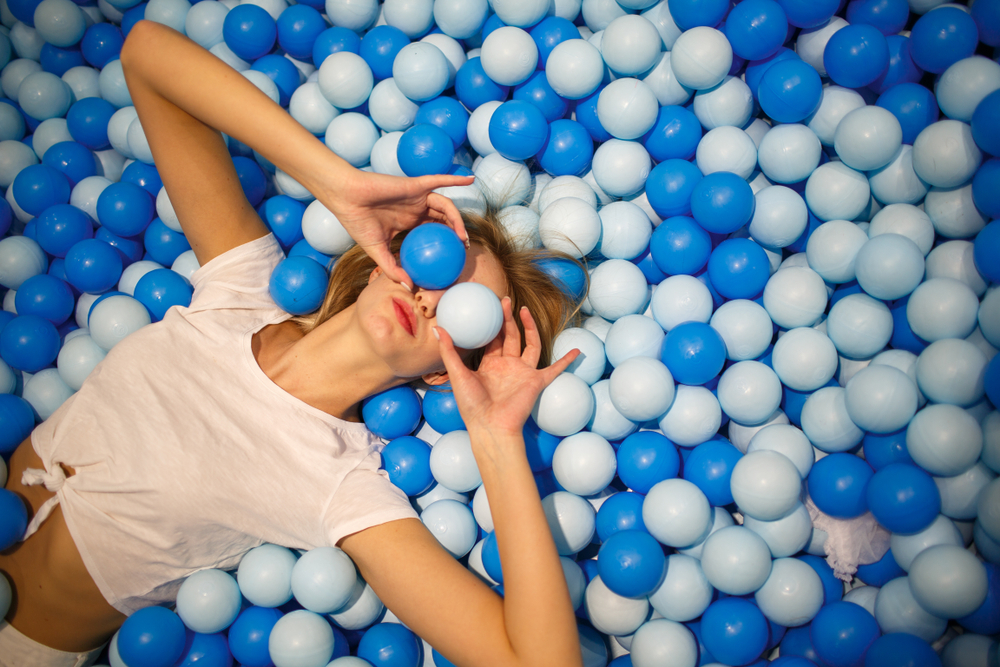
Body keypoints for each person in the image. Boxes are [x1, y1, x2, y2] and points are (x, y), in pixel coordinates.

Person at [0, 20, 587, 667]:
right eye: (438, 264)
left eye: (462, 311)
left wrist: (498, 438)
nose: (430, 296)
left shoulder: (340, 481)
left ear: (444, 375)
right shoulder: (244, 289)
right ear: (390, 252)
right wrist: (334, 181)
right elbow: (143, 54)